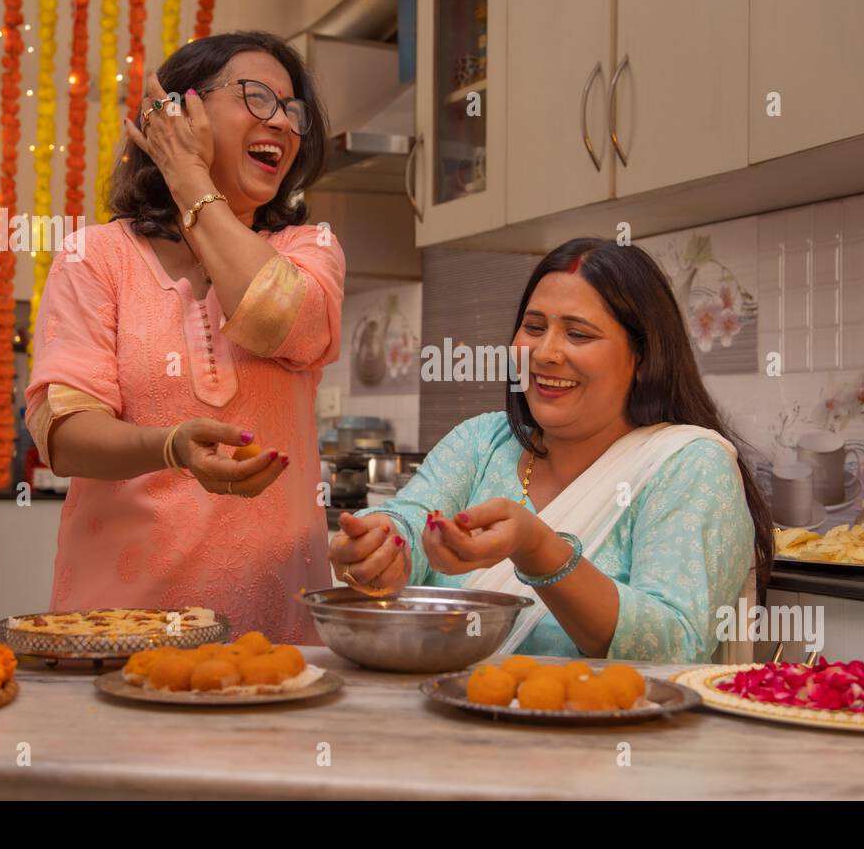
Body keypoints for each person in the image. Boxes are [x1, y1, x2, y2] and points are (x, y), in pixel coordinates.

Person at [25, 31, 341, 639]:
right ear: (177, 114)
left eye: (291, 108)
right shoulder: (95, 257)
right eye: (256, 97)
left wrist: (191, 178)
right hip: (119, 630)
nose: (281, 121)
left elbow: (279, 319)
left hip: (275, 638)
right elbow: (63, 435)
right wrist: (169, 447)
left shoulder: (311, 249)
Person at [330, 239, 772, 662]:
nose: (544, 352)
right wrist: (383, 543)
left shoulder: (689, 465)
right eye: (534, 327)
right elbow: (412, 517)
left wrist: (538, 549)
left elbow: (673, 646)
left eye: (578, 335)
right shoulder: (483, 442)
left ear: (642, 357)